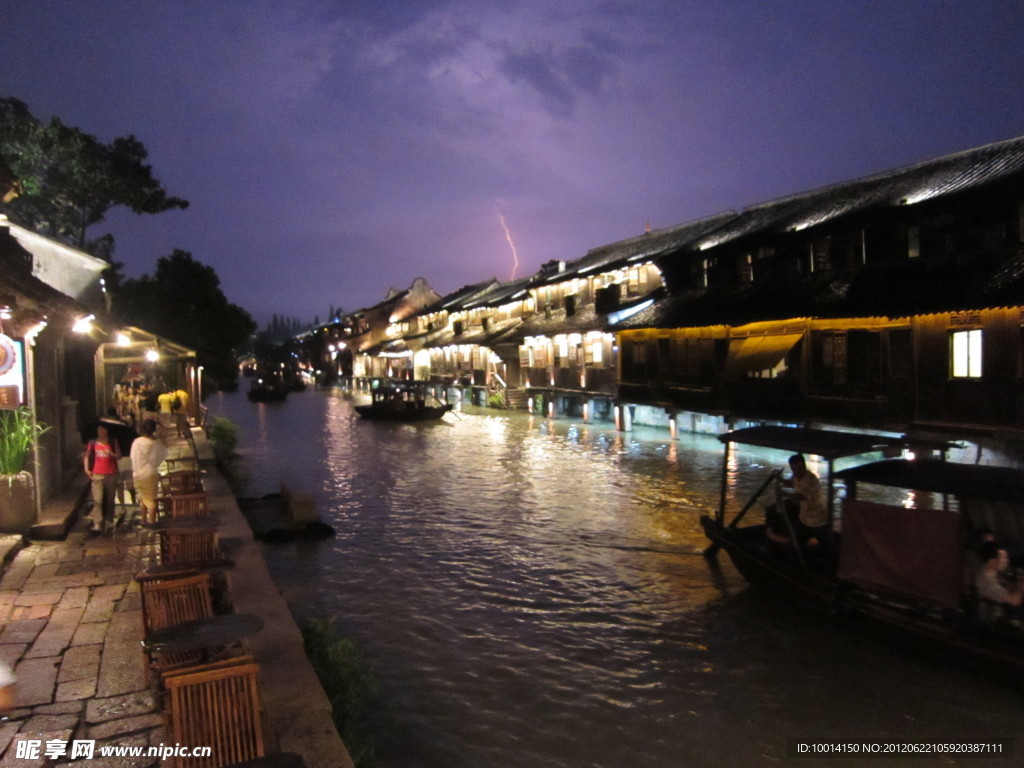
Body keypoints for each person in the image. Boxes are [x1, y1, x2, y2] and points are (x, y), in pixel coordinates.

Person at [767, 453, 829, 547]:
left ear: (800, 465)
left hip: (818, 519)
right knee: (797, 543)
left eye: (794, 468)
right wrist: (780, 479)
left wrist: (784, 494)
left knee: (825, 546)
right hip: (805, 518)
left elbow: (803, 496)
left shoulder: (811, 480)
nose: (793, 471)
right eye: (792, 468)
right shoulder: (796, 476)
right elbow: (791, 484)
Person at [130, 418, 168, 526]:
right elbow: (160, 456)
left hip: (137, 474)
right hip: (149, 474)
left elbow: (132, 457)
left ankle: (143, 520)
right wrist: (162, 439)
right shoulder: (153, 444)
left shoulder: (136, 442)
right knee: (151, 500)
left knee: (143, 498)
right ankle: (152, 522)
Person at [84, 423, 120, 533]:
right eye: (99, 429)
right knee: (97, 500)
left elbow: (119, 456)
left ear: (106, 431)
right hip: (97, 473)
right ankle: (97, 522)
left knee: (110, 499)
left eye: (103, 429)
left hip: (111, 474)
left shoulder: (112, 441)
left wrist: (111, 454)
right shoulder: (93, 442)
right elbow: (87, 456)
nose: (101, 431)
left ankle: (109, 520)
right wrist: (86, 468)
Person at [975, 541, 1023, 620]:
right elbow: (1015, 601)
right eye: (1003, 557)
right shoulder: (988, 582)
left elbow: (1011, 589)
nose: (1006, 561)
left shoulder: (989, 573)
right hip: (994, 621)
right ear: (991, 561)